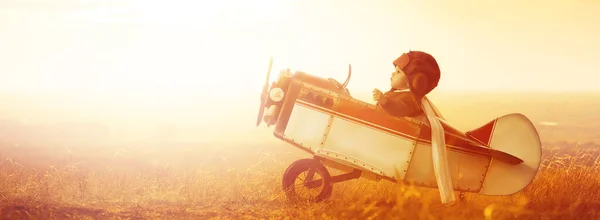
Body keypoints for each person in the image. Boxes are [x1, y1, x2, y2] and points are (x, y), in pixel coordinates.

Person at [372, 50, 441, 118]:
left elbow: (399, 109)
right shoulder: (395, 93)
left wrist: (385, 101)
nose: (393, 73)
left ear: (414, 81)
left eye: (398, 72)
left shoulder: (410, 100)